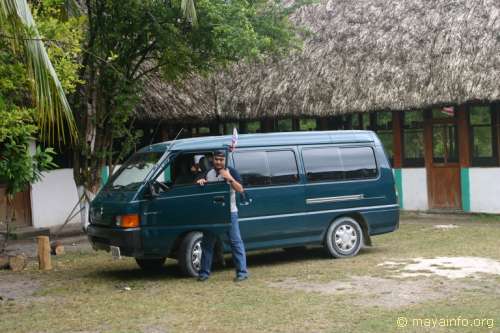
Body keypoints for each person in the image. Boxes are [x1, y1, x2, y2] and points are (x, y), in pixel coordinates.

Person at [196, 150, 248, 282]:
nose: (218, 162)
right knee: (207, 243)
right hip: (213, 214)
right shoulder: (209, 173)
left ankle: (242, 272)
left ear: (225, 160)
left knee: (235, 242)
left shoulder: (232, 171)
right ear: (212, 160)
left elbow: (241, 189)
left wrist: (229, 178)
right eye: (216, 159)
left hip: (230, 212)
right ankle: (204, 273)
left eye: (221, 159)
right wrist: (201, 181)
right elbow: (200, 185)